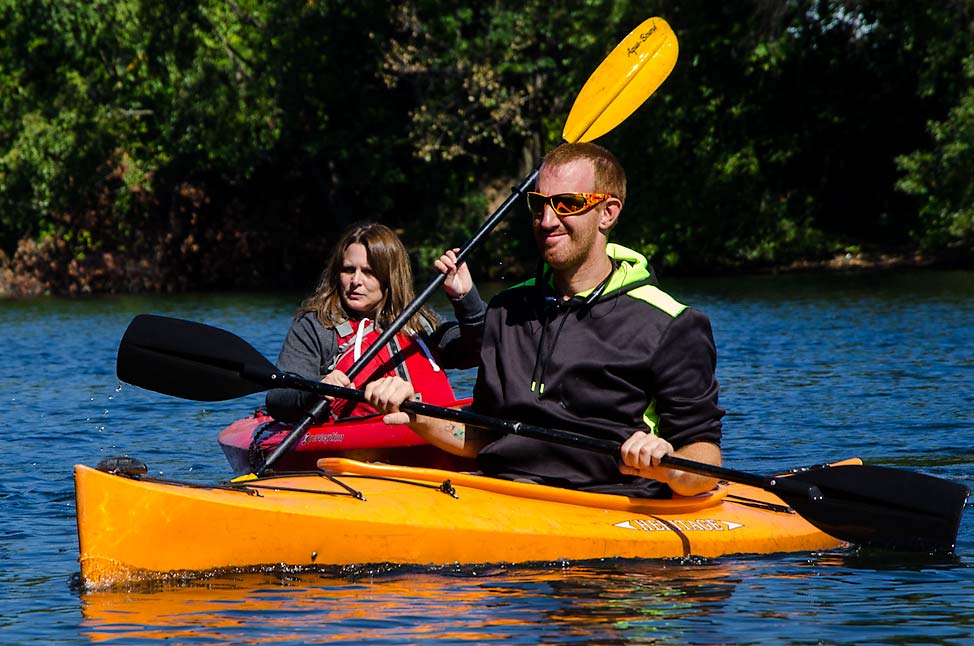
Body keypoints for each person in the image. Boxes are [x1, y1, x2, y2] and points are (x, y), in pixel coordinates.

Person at [364, 143, 724, 498]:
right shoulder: (507, 310)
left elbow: (705, 458)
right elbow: (486, 435)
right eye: (539, 204)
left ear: (608, 213)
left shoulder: (671, 323)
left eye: (567, 204)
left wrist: (670, 463)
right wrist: (418, 414)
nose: (547, 221)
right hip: (503, 495)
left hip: (609, 503)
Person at [265, 221, 485, 423]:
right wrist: (316, 388)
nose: (355, 281)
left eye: (368, 272)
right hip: (355, 439)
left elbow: (482, 350)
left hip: (433, 432)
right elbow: (278, 398)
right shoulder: (317, 325)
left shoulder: (420, 322)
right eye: (348, 270)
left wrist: (465, 297)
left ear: (389, 277)